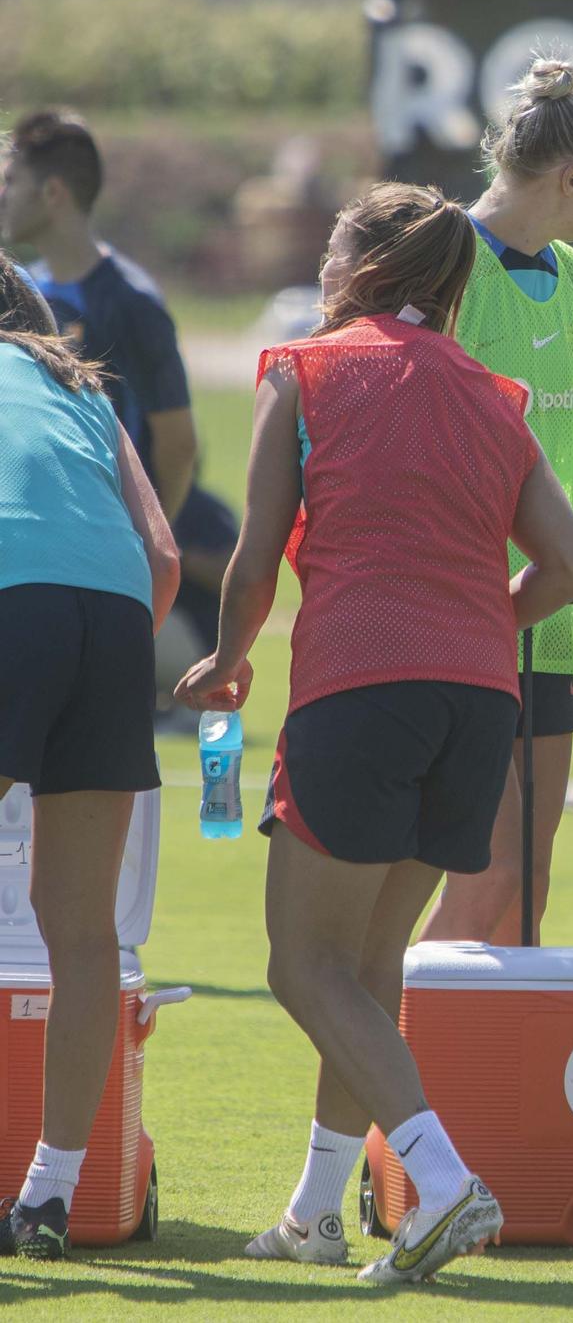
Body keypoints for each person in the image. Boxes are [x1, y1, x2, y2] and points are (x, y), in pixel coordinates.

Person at [175, 183, 573, 1283]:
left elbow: (258, 553)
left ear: (358, 268)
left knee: (303, 965)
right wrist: (474, 621)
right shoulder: (491, 392)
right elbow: (571, 566)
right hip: (478, 702)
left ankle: (443, 1181)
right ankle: (318, 1209)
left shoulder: (308, 369)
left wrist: (226, 663)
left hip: (360, 684)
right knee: (361, 968)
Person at [416, 57, 573, 947]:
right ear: (571, 177)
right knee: (483, 875)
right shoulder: (443, 261)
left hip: (548, 619)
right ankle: (384, 1071)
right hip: (463, 617)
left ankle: (487, 1084)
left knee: (530, 878)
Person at [0, 254, 179, 1260]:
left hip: (13, 596)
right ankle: (49, 1194)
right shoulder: (82, 383)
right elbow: (159, 556)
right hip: (115, 620)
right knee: (81, 933)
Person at [0, 109, 217, 721]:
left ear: (52, 192)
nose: (2, 195)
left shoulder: (131, 301)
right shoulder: (24, 294)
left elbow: (178, 445)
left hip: (111, 561)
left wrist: (141, 546)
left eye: (10, 180)